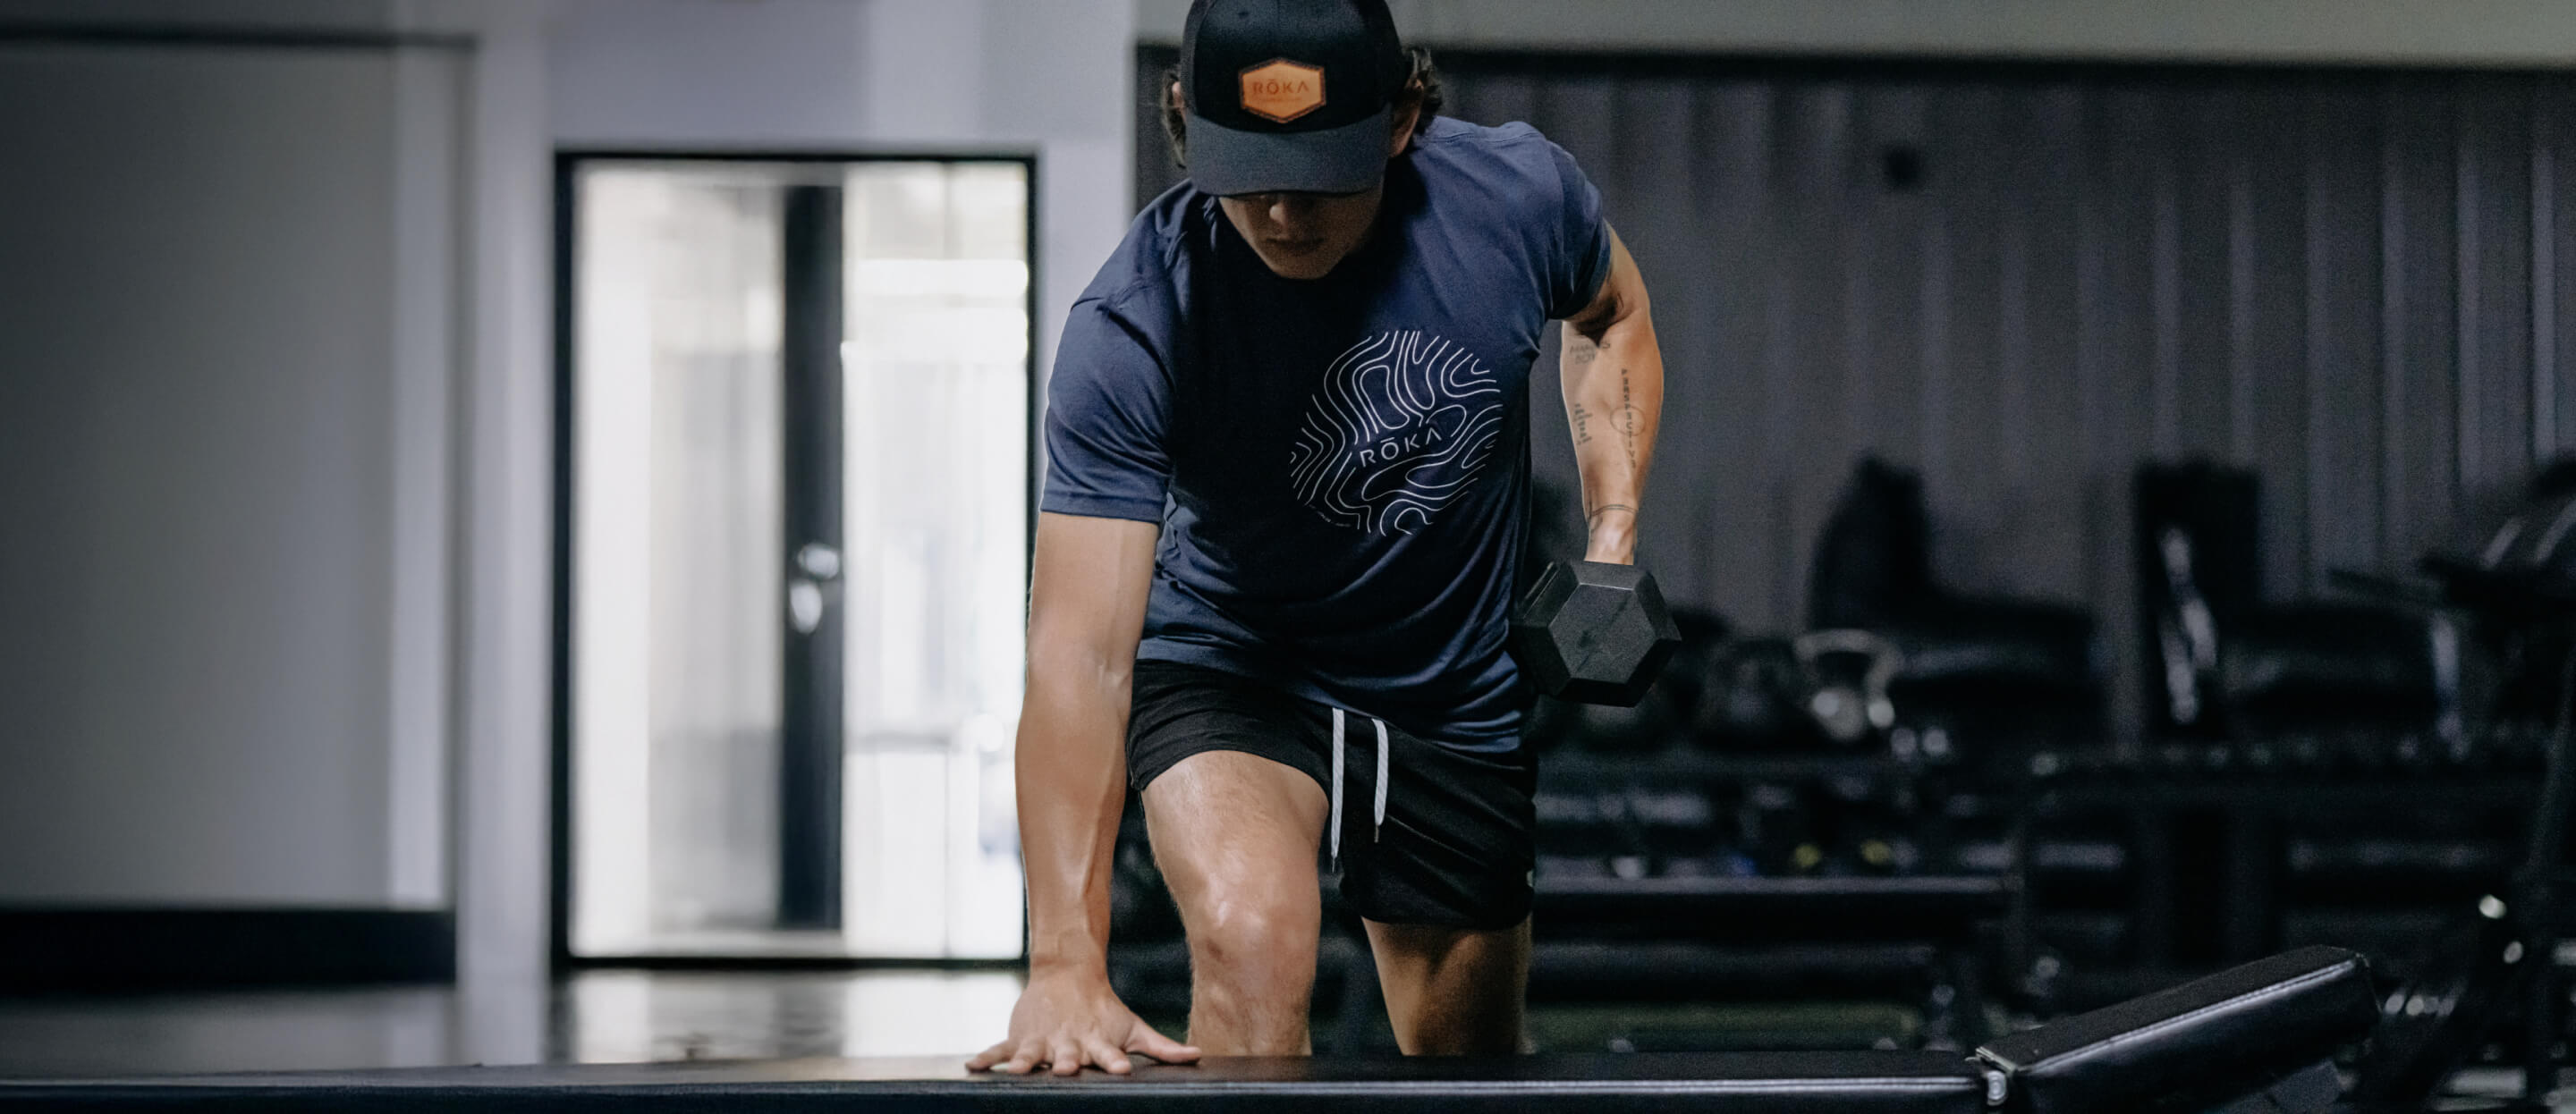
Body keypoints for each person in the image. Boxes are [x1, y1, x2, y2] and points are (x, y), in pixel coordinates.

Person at [969, 0, 1664, 1076]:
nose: (1286, 212)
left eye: (1324, 174)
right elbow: (1080, 655)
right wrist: (1063, 956)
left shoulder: (1517, 201)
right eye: (1248, 174)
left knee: (1462, 1055)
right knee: (1252, 938)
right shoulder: (1139, 321)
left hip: (1449, 681)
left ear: (1402, 122)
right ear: (1182, 120)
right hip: (1235, 665)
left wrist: (1612, 530)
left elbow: (1612, 315)